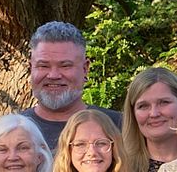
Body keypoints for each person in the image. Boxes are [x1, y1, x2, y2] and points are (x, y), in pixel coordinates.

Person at [22, 20, 120, 150]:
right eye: (43, 66)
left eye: (65, 66)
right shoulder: (10, 131)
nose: (53, 75)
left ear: (85, 69)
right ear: (31, 69)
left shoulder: (120, 127)